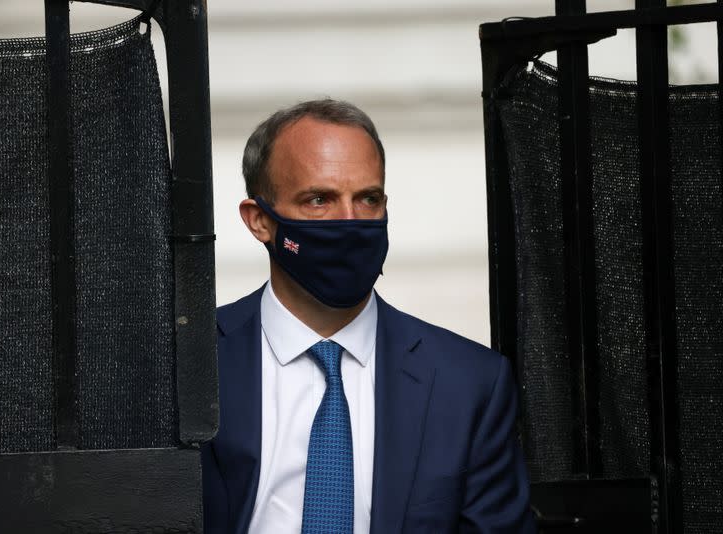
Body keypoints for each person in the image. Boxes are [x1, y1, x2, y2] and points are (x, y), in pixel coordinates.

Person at [201, 99, 535, 533]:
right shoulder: (189, 362)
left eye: (368, 199)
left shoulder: (468, 384)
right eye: (319, 199)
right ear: (260, 221)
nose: (349, 221)